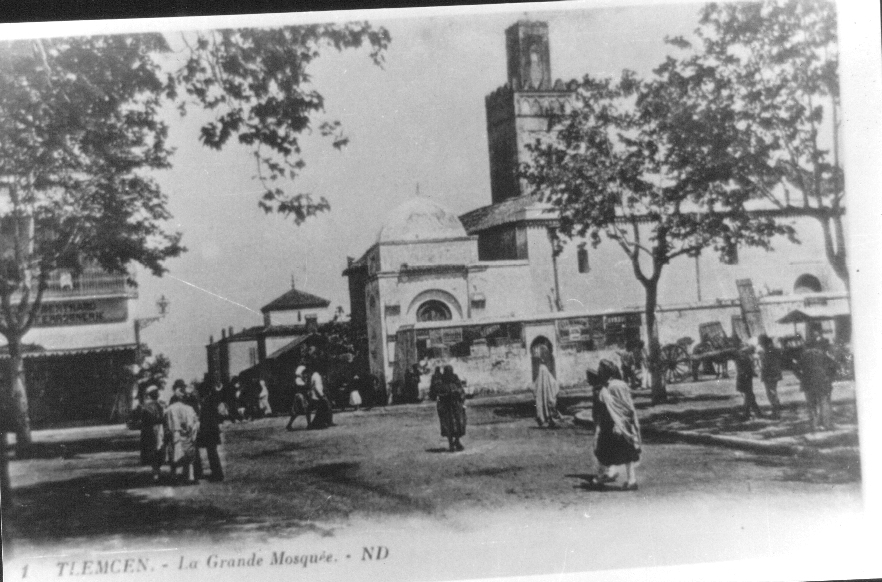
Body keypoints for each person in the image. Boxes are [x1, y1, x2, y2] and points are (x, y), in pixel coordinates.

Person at [587, 360, 640, 491]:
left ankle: (601, 476)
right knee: (628, 452)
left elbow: (604, 407)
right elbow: (628, 405)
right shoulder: (621, 384)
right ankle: (632, 480)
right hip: (624, 423)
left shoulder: (606, 389)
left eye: (601, 370)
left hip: (610, 424)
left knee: (603, 451)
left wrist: (600, 426)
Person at [794, 336, 838, 431]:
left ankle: (814, 426)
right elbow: (834, 365)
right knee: (823, 403)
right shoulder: (823, 354)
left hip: (808, 382)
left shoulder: (803, 355)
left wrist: (801, 377)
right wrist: (829, 377)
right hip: (822, 382)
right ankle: (826, 425)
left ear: (807, 346)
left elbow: (795, 368)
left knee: (812, 405)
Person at [164, 380, 200, 485]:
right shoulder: (189, 408)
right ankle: (191, 477)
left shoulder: (170, 409)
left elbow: (167, 423)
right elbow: (194, 422)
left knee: (174, 456)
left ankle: (174, 476)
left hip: (175, 435)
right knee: (189, 458)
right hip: (187, 435)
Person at [430, 365, 467, 452]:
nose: (449, 373)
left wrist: (460, 397)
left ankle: (457, 441)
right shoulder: (441, 381)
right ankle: (451, 444)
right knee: (448, 426)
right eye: (447, 371)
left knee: (459, 424)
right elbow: (437, 393)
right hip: (446, 407)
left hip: (456, 406)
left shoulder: (455, 379)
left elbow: (461, 390)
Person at [194, 382, 224, 482]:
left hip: (209, 431)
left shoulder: (207, 401)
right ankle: (217, 473)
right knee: (212, 452)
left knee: (212, 453)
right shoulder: (209, 400)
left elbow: (206, 418)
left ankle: (217, 474)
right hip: (212, 430)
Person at [138, 385, 165, 483]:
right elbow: (148, 420)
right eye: (155, 393)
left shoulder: (159, 405)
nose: (157, 394)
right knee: (154, 451)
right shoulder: (147, 406)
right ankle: (155, 472)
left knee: (158, 451)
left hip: (158, 430)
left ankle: (156, 471)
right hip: (151, 431)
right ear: (152, 394)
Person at [757, 334, 783, 419]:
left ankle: (776, 413)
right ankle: (776, 411)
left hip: (770, 375)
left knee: (771, 393)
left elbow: (767, 365)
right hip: (773, 374)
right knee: (772, 392)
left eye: (761, 343)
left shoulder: (768, 351)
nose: (760, 345)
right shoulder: (772, 350)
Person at [735, 345, 764, 420]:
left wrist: (752, 373)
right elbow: (744, 369)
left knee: (749, 396)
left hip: (745, 378)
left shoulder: (744, 356)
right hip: (744, 379)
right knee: (750, 396)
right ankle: (755, 413)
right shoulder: (743, 357)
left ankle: (748, 414)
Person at [533, 363, 563, 428]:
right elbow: (555, 385)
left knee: (542, 408)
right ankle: (551, 422)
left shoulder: (538, 380)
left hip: (542, 399)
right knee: (550, 408)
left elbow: (534, 389)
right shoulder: (549, 377)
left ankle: (544, 421)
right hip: (549, 398)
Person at [308, 363, 334, 429]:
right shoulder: (316, 376)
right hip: (317, 395)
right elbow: (317, 387)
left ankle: (319, 423)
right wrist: (321, 395)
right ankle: (318, 424)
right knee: (323, 408)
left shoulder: (315, 375)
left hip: (316, 394)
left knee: (322, 409)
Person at [286, 365, 312, 430]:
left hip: (302, 396)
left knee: (298, 411)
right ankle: (309, 424)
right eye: (303, 373)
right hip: (300, 396)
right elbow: (303, 387)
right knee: (304, 409)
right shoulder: (298, 379)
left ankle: (290, 424)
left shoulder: (301, 379)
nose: (305, 374)